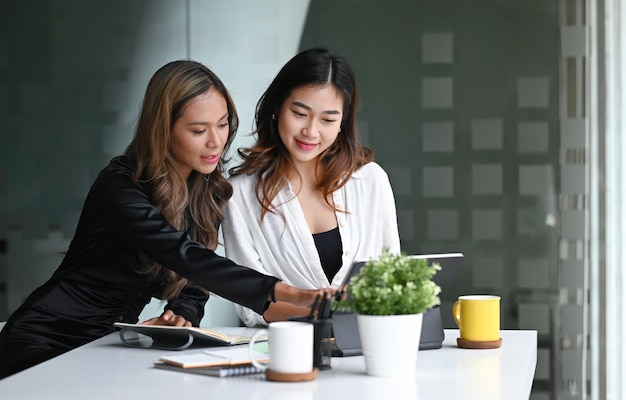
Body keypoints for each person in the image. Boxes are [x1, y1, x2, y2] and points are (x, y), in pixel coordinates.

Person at [0, 60, 331, 379]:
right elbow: (181, 254)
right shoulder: (121, 183)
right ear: (164, 130)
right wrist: (281, 291)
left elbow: (196, 276)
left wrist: (182, 313)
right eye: (199, 130)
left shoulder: (207, 190)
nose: (216, 141)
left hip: (105, 347)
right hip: (46, 338)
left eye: (222, 123)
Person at [222, 47, 401, 327]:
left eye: (328, 120)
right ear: (277, 108)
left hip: (365, 350)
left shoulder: (370, 182)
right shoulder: (240, 194)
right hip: (284, 352)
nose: (311, 132)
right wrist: (321, 315)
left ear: (343, 122)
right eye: (300, 113)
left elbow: (393, 278)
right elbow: (249, 306)